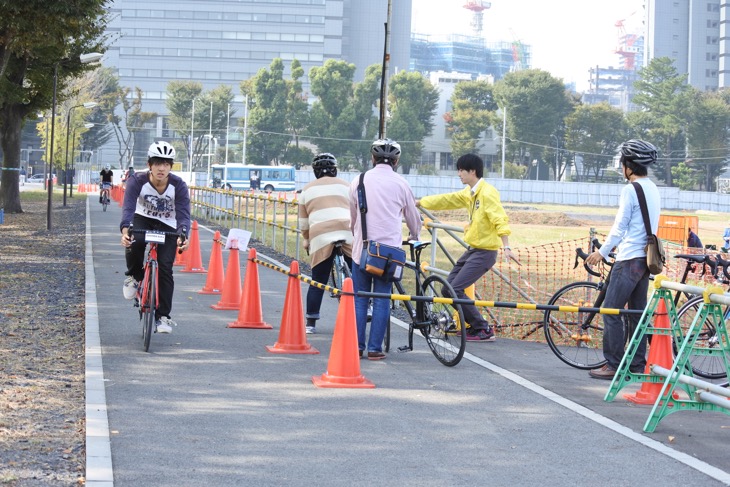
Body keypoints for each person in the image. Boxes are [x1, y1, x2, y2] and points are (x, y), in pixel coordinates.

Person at [417, 153, 520, 342]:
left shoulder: (487, 193)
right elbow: (447, 200)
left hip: (485, 252)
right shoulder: (469, 193)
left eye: (461, 170)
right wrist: (421, 202)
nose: (458, 174)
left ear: (472, 171)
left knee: (455, 288)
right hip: (473, 250)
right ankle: (474, 325)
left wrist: (507, 247)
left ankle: (483, 329)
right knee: (448, 289)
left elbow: (500, 219)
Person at [585, 139, 660, 380]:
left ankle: (613, 364)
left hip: (628, 259)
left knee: (610, 310)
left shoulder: (630, 190)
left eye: (622, 163)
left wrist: (602, 252)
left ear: (628, 165)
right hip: (645, 260)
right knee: (636, 313)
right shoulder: (653, 188)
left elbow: (620, 227)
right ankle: (637, 364)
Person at [350, 139, 421, 360]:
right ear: (396, 161)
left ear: (373, 158)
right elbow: (413, 217)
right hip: (389, 254)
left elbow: (352, 217)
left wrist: (358, 235)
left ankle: (356, 346)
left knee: (360, 298)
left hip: (362, 250)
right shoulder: (401, 184)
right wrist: (415, 235)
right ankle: (374, 349)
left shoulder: (358, 181)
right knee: (382, 298)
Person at [120, 141, 191, 334]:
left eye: (166, 164)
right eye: (158, 163)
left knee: (166, 267)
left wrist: (183, 235)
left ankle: (163, 316)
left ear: (171, 166)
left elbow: (184, 214)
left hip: (168, 224)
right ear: (150, 164)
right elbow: (128, 208)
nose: (162, 168)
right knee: (135, 241)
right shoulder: (137, 180)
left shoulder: (178, 185)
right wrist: (125, 230)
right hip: (142, 218)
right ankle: (134, 277)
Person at [299, 153, 353, 334]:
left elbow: (304, 222)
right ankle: (364, 308)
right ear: (335, 170)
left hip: (321, 236)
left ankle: (311, 323)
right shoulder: (348, 186)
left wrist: (306, 239)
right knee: (356, 276)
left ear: (315, 172)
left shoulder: (307, 190)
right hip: (347, 231)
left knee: (318, 280)